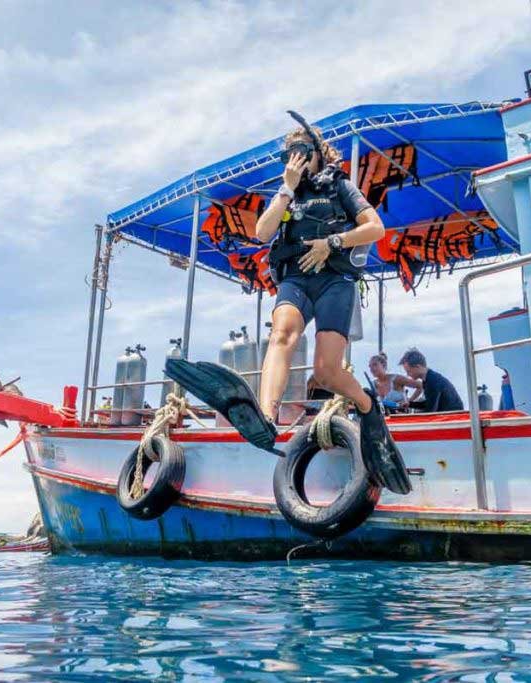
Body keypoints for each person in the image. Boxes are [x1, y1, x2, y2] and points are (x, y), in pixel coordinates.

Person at [166, 111, 411, 495]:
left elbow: (375, 228)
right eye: (289, 154)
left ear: (316, 152)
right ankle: (266, 416)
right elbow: (263, 233)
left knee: (327, 371)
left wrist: (330, 243)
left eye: (301, 151)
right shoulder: (286, 192)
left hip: (334, 280)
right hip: (296, 279)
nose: (295, 159)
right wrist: (286, 188)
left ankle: (366, 406)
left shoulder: (339, 187)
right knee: (282, 335)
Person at [398, 347, 464, 412]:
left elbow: (431, 410)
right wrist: (410, 404)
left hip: (453, 416)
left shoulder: (433, 381)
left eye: (409, 371)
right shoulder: (428, 379)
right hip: (448, 413)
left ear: (417, 367)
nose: (408, 375)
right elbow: (429, 403)